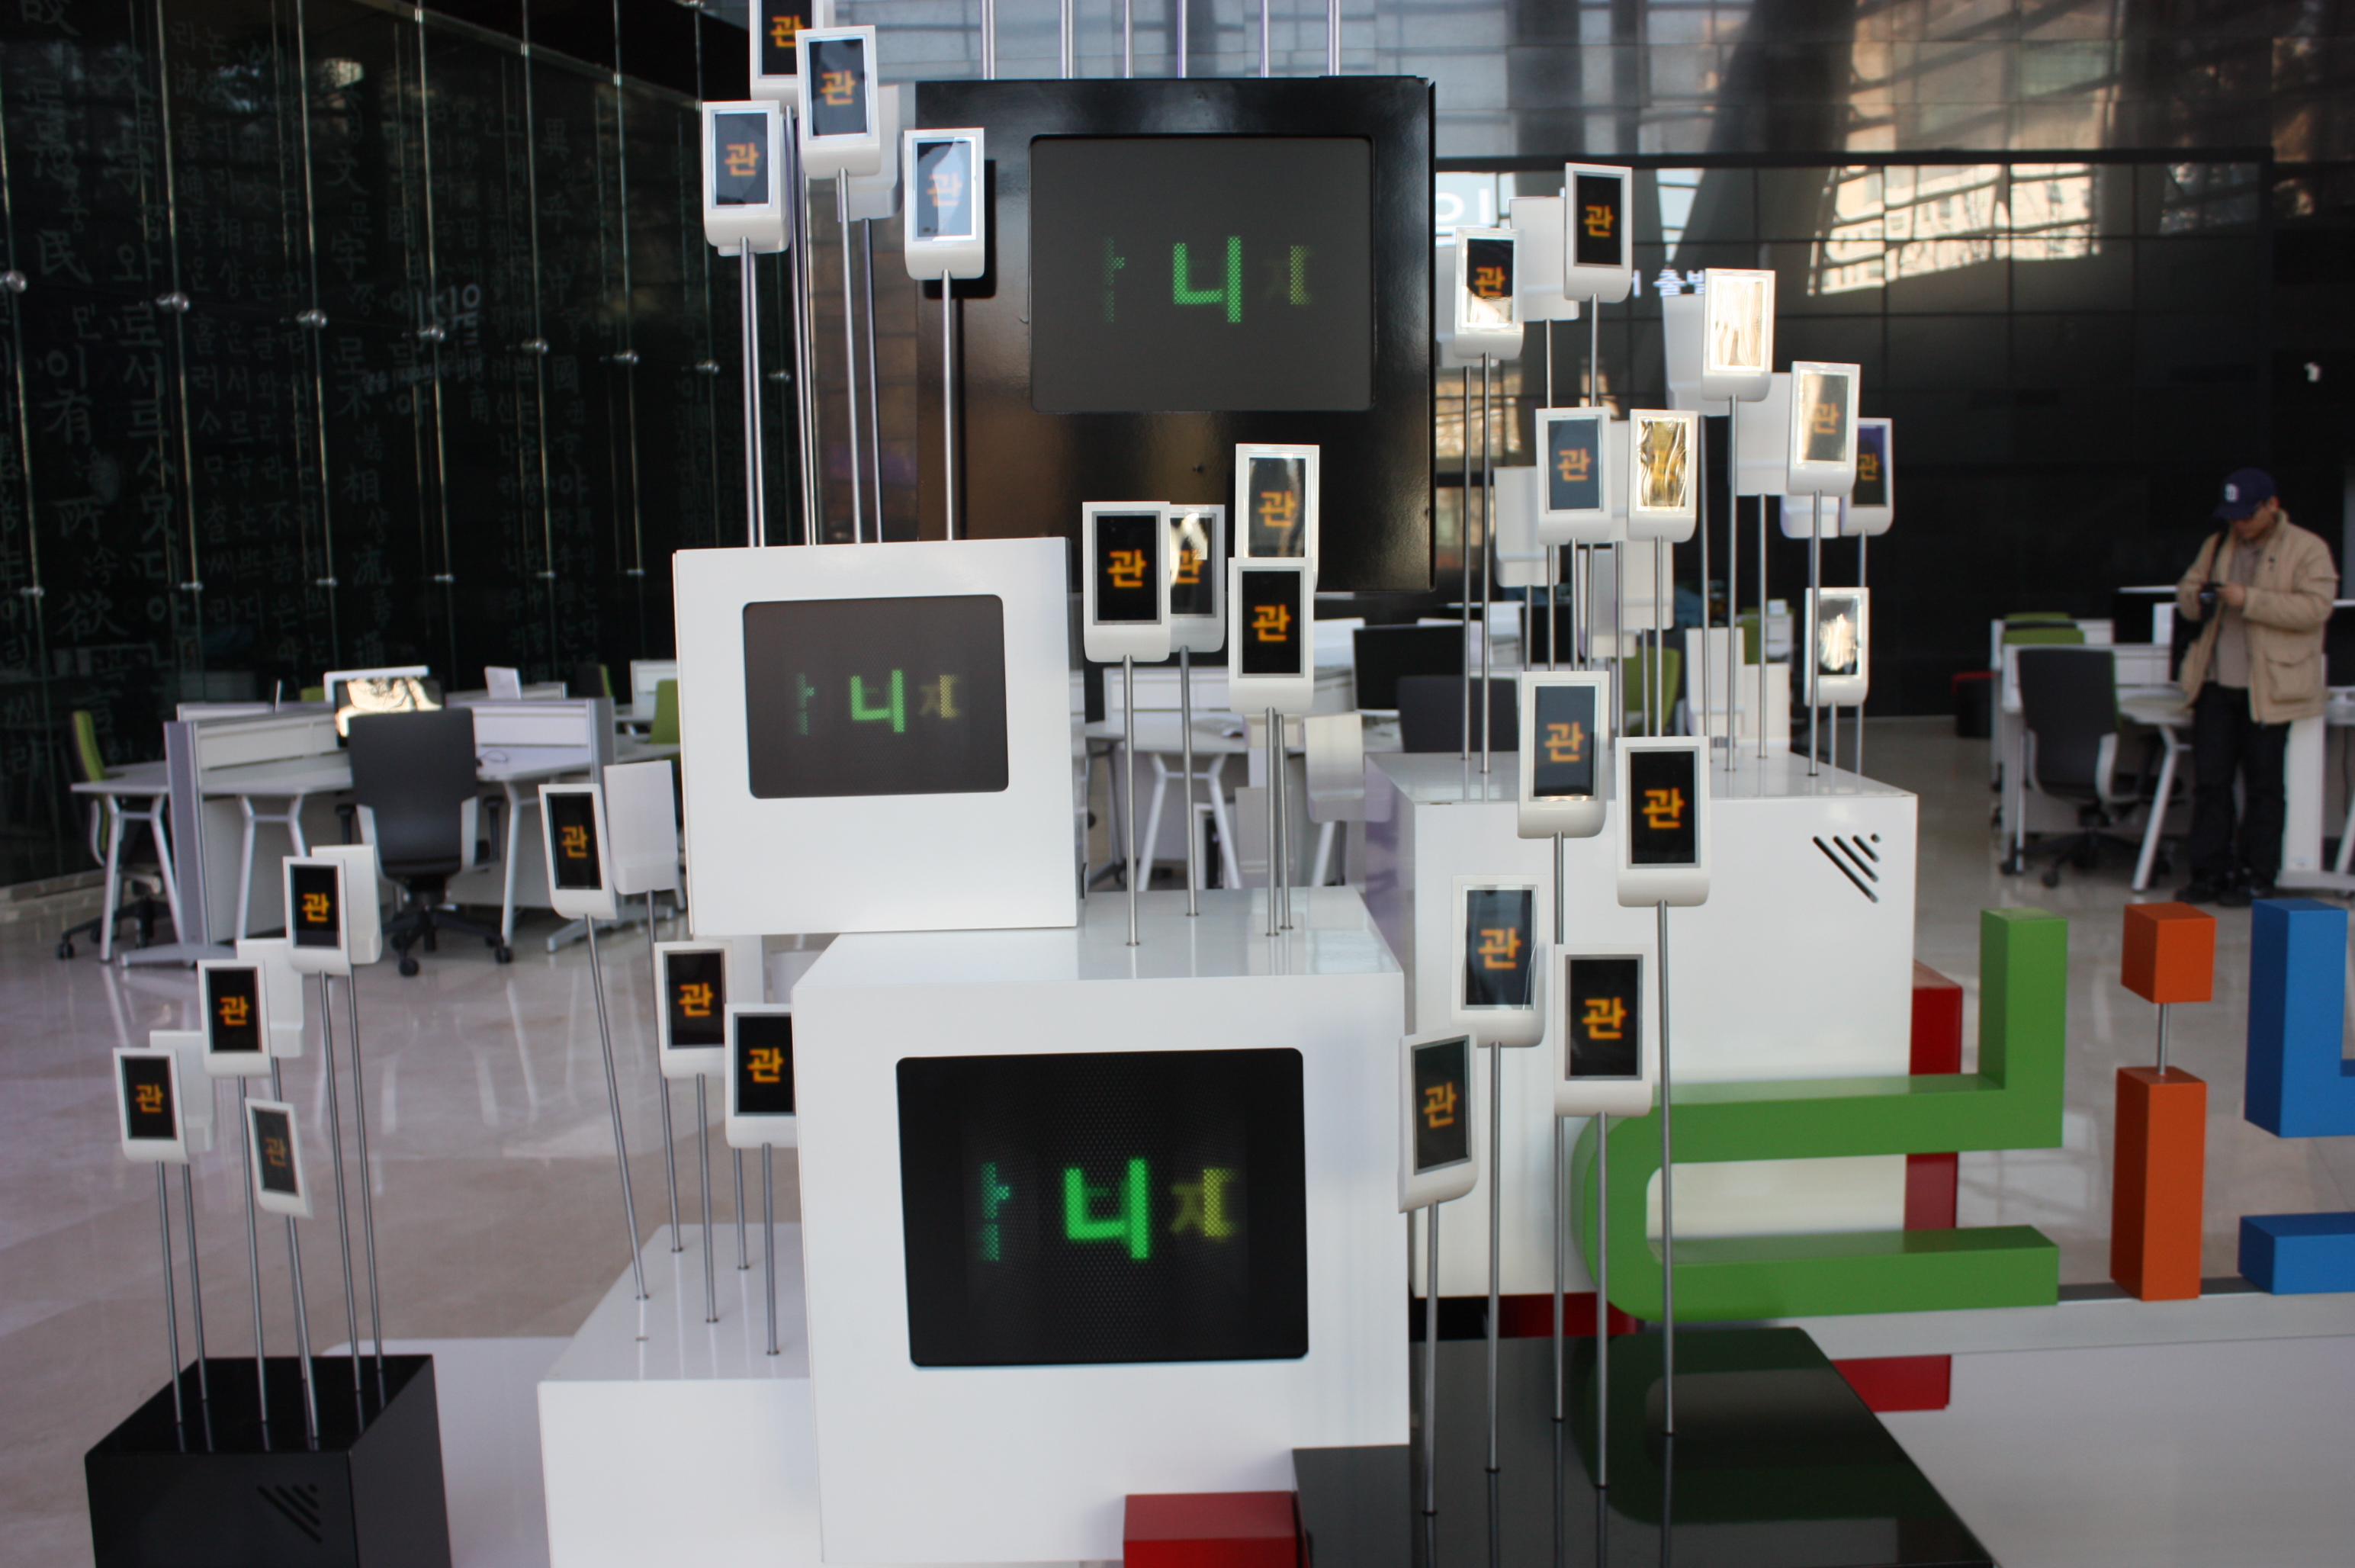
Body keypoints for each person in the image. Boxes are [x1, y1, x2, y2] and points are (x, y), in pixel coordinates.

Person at [2173, 469, 2337, 906]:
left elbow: (2315, 608)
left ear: (2272, 506)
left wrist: (2250, 600)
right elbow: (2186, 591)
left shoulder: (2307, 548)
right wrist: (2198, 598)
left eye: (2248, 515)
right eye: (2233, 516)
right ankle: (2208, 873)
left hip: (2270, 688)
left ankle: (2256, 875)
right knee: (2210, 783)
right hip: (2215, 683)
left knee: (2264, 787)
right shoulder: (2217, 545)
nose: (2240, 524)